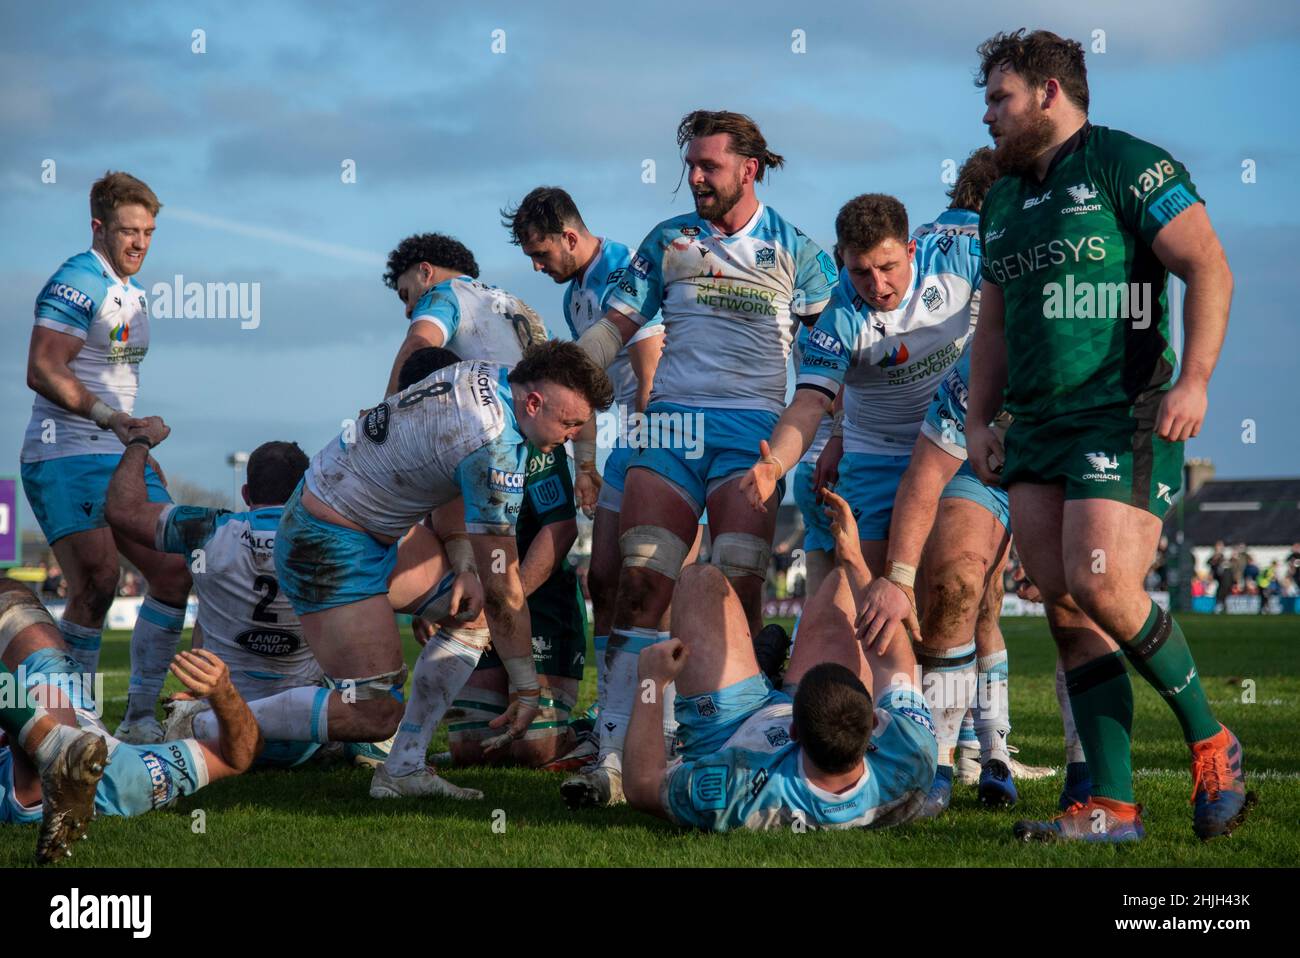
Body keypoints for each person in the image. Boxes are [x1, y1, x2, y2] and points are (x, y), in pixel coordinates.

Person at [963, 29, 1251, 841]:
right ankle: (1112, 809)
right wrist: (983, 419)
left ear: (1050, 92)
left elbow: (1209, 265)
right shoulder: (1005, 199)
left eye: (1000, 98)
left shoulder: (1128, 163)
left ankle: (1213, 739)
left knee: (1101, 584)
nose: (988, 116)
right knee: (1065, 610)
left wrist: (1194, 379)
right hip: (1035, 425)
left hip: (1121, 409)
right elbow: (993, 326)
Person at [566, 110, 837, 808]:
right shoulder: (668, 241)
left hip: (751, 434)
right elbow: (613, 329)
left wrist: (833, 436)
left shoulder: (798, 253)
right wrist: (565, 374)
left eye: (707, 166)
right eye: (689, 165)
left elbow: (834, 353)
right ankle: (613, 755)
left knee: (735, 592)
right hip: (671, 429)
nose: (693, 178)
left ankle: (722, 739)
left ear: (749, 169)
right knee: (638, 585)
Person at [263, 342, 611, 800]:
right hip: (328, 538)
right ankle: (211, 717)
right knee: (376, 712)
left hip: (359, 522)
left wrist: (463, 563)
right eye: (568, 424)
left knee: (472, 616)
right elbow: (505, 588)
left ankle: (404, 767)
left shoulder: (492, 374)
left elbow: (446, 479)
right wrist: (526, 689)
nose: (571, 435)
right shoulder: (497, 446)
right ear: (534, 402)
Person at [623, 490, 937, 832]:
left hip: (731, 730)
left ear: (791, 731)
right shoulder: (909, 754)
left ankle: (762, 671)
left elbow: (641, 786)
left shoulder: (737, 792)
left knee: (699, 582)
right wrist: (854, 561)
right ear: (875, 720)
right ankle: (767, 672)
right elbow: (896, 666)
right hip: (807, 730)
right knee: (843, 585)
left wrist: (651, 682)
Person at [20, 171, 192, 744]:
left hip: (117, 450)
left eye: (148, 231)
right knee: (96, 583)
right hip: (64, 453)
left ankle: (141, 717)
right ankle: (80, 729)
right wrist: (113, 422)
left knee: (172, 571)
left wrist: (136, 451)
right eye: (128, 230)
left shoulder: (133, 291)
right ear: (99, 226)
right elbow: (43, 368)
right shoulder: (77, 280)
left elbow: (115, 379)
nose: (140, 242)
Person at [501, 187, 670, 771]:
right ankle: (611, 724)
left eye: (541, 252)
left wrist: (648, 448)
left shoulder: (624, 267)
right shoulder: (577, 295)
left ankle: (664, 727)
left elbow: (649, 368)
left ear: (570, 237)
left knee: (654, 579)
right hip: (628, 439)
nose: (536, 265)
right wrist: (588, 466)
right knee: (602, 576)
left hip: (666, 434)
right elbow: (585, 394)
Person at [106, 432, 370, 767]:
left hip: (219, 731)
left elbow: (121, 509)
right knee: (362, 616)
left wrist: (139, 444)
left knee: (198, 597)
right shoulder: (335, 540)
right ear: (305, 492)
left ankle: (138, 719)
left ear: (246, 493)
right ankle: (372, 748)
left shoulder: (204, 528)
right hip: (307, 732)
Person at [0, 578, 260, 860]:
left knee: (13, 603)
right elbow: (237, 757)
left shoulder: (121, 778)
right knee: (11, 596)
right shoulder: (126, 778)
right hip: (62, 699)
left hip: (38, 735)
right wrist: (225, 694)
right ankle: (49, 742)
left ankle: (48, 741)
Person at [381, 232, 548, 395]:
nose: (408, 310)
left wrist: (385, 410)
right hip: (538, 411)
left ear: (425, 272)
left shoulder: (444, 292)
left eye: (406, 295)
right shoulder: (517, 304)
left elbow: (417, 345)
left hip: (496, 410)